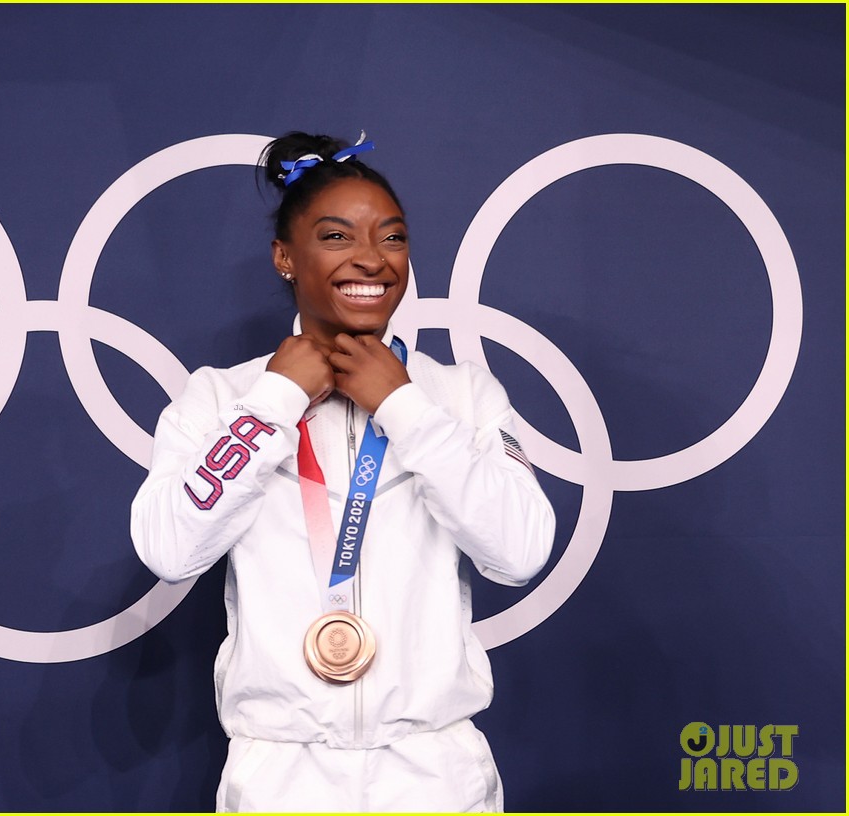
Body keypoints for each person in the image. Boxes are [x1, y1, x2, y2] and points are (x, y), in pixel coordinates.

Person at [130, 131, 555, 812]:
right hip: (281, 777)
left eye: (392, 238)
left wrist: (405, 408)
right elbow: (168, 548)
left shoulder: (461, 394)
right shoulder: (220, 397)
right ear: (284, 258)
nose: (372, 260)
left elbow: (522, 552)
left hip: (435, 775)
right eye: (336, 237)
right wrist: (273, 403)